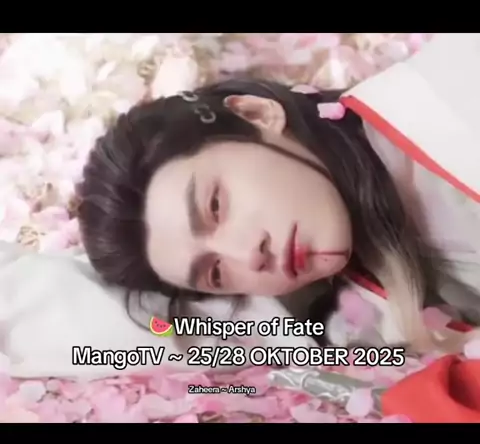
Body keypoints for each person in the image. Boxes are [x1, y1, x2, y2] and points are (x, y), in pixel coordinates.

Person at [77, 77, 480, 357]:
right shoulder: (358, 314)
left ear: (256, 115)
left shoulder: (453, 104)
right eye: (215, 272)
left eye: (215, 206)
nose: (248, 255)